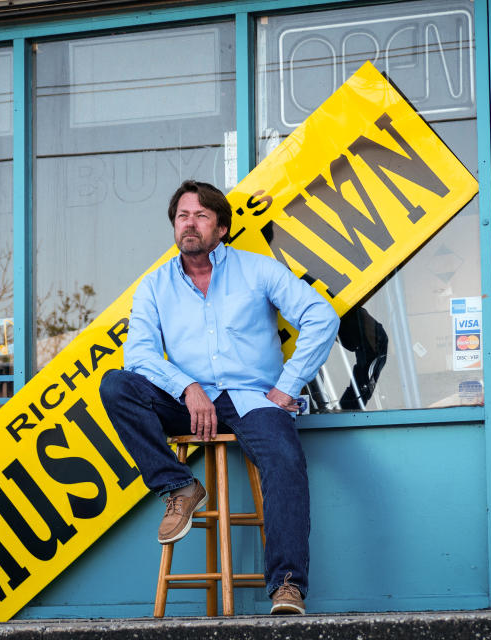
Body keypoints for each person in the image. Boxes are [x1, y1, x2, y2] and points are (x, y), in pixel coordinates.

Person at [100, 180, 339, 615]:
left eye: (201, 216)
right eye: (182, 216)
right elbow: (138, 354)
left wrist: (287, 385)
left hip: (252, 398)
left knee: (284, 460)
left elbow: (321, 315)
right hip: (191, 404)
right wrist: (187, 387)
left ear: (222, 227)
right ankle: (180, 485)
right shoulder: (154, 286)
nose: (189, 224)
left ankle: (287, 585)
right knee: (117, 385)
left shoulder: (257, 270)